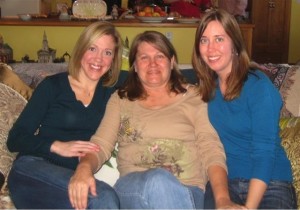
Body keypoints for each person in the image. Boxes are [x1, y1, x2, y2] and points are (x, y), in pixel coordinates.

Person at [68, 30, 243, 209]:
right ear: (135, 66)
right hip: (133, 189)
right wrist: (84, 168)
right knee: (158, 179)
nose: (152, 64)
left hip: (189, 192)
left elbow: (211, 148)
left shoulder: (195, 97)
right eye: (144, 57)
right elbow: (101, 144)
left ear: (172, 61)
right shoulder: (121, 99)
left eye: (159, 56)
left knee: (162, 183)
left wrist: (223, 200)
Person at [6, 21, 123, 209]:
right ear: (81, 50)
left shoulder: (113, 95)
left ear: (113, 60)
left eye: (107, 52)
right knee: (102, 198)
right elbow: (15, 139)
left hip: (74, 175)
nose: (99, 59)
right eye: (92, 48)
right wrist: (56, 146)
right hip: (34, 169)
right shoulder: (53, 87)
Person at [191, 9, 297, 209]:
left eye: (219, 39)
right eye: (204, 40)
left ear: (235, 44)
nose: (211, 48)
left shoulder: (258, 86)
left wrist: (249, 207)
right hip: (226, 182)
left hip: (270, 182)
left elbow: (265, 152)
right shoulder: (206, 88)